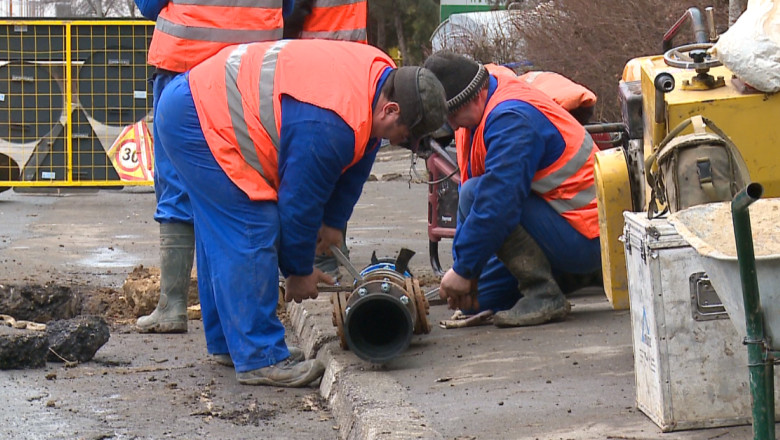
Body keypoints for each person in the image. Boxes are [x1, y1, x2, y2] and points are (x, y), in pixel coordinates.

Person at [154, 39, 446, 385]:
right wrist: (298, 271)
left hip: (197, 100)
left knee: (223, 232)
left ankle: (229, 344)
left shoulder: (378, 75)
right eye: (404, 136)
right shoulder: (328, 124)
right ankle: (260, 357)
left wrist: (334, 222)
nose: (400, 144)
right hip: (198, 118)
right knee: (251, 224)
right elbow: (297, 203)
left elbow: (364, 147)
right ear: (392, 110)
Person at [134, 0, 293, 333]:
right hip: (252, 69)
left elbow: (148, 4)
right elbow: (288, 7)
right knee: (243, 182)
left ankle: (172, 304)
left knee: (177, 184)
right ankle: (234, 324)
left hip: (185, 61)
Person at [424, 51, 601, 327]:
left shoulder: (512, 119)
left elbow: (498, 203)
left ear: (474, 97)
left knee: (476, 193)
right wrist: (467, 276)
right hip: (561, 222)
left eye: (452, 116)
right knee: (477, 301)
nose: (453, 126)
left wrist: (463, 268)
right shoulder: (483, 105)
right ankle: (565, 277)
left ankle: (545, 293)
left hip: (588, 236)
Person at [283, 0, 369, 279]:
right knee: (343, 158)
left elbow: (296, 10)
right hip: (353, 57)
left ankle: (318, 256)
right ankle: (330, 248)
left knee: (312, 159)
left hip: (312, 59)